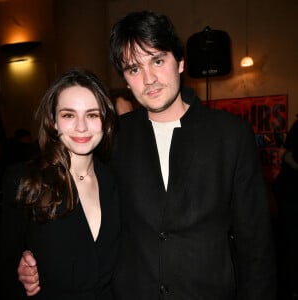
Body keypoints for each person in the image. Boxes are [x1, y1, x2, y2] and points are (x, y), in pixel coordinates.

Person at [17, 10, 276, 300]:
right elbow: (75, 199)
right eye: (134, 69)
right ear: (126, 80)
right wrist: (32, 254)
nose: (149, 79)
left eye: (157, 60)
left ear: (179, 62)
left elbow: (256, 245)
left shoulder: (230, 134)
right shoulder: (113, 137)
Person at [0, 68, 120, 299]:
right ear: (53, 121)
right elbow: (6, 266)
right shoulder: (24, 179)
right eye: (69, 115)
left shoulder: (114, 179)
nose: (81, 127)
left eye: (92, 115)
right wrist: (21, 268)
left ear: (105, 122)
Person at [273, 118, 298, 299]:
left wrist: (285, 155)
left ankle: (292, 286)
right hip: (288, 193)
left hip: (293, 195)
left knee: (291, 242)